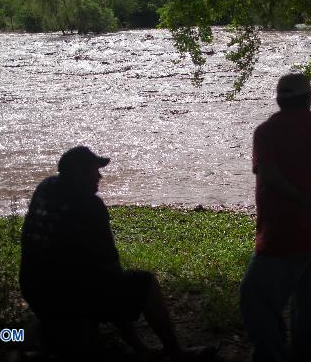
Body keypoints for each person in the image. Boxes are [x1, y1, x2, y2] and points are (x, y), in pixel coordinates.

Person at [19, 146, 215, 360]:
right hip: (69, 294)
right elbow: (110, 270)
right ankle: (175, 352)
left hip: (34, 289)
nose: (100, 176)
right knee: (144, 284)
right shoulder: (90, 206)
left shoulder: (45, 187)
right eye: (95, 170)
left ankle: (134, 349)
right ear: (79, 174)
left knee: (97, 281)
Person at [240, 73, 311, 362]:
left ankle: (271, 355)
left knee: (255, 297)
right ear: (309, 99)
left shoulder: (266, 132)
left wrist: (301, 199)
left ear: (278, 100)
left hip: (281, 231)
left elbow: (269, 176)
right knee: (308, 300)